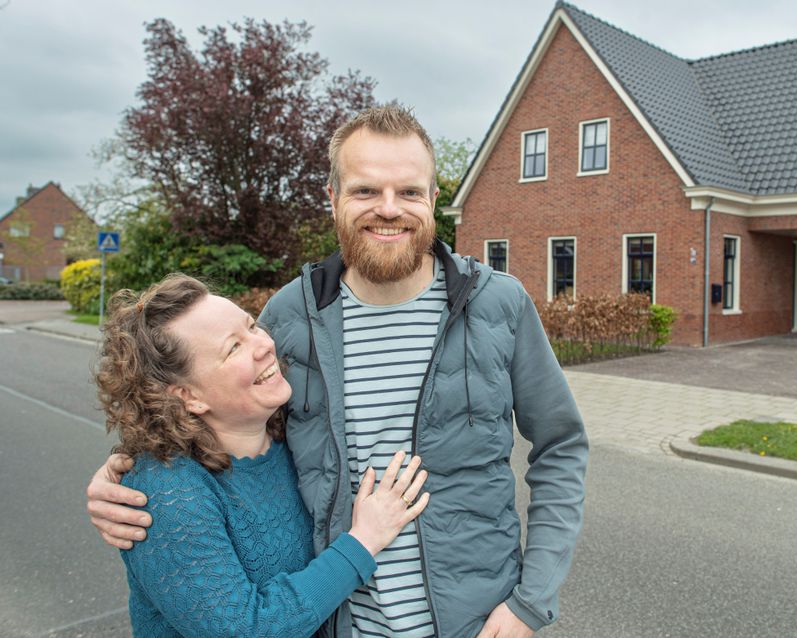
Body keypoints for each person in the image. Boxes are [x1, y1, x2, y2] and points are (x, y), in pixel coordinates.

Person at [87, 105, 589, 637]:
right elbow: (219, 418)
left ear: (435, 200)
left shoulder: (499, 305)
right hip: (335, 623)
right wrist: (122, 474)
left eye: (410, 192)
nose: (389, 210)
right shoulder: (286, 317)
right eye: (366, 191)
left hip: (478, 626)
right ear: (333, 199)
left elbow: (561, 446)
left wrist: (530, 603)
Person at [95, 274, 430, 637]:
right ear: (188, 397)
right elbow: (247, 630)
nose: (264, 346)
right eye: (233, 348)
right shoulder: (166, 492)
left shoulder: (293, 437)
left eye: (252, 326)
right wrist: (364, 540)